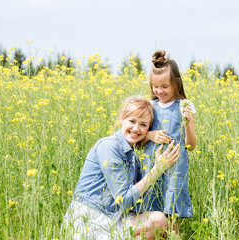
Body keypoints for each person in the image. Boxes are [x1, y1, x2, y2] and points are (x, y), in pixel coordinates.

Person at [62, 96, 180, 240]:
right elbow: (123, 199)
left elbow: (139, 194)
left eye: (143, 125)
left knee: (159, 220)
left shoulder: (132, 156)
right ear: (122, 119)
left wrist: (148, 137)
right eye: (132, 121)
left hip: (113, 219)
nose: (136, 128)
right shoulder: (109, 146)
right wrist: (157, 169)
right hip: (90, 221)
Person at [134, 50, 197, 222]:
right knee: (150, 208)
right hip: (151, 165)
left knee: (171, 212)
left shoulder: (185, 105)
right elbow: (137, 140)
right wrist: (150, 135)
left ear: (177, 83)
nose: (159, 91)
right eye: (155, 87)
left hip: (176, 167)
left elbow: (191, 146)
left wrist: (188, 124)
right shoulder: (149, 106)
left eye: (165, 87)